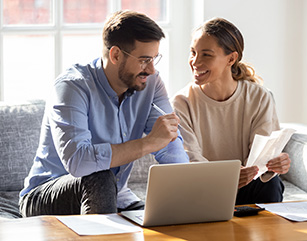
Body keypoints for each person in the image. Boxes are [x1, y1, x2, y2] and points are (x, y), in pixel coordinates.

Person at [19, 10, 189, 217]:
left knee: (164, 220)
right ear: (115, 55)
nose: (151, 69)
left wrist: (187, 192)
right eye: (144, 60)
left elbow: (170, 144)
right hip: (45, 195)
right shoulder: (72, 87)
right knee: (99, 177)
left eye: (154, 59)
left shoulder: (151, 83)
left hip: (116, 196)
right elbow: (78, 162)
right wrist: (148, 143)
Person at [172, 17, 290, 205]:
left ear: (231, 58)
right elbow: (190, 161)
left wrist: (274, 163)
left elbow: (262, 156)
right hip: (204, 188)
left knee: (271, 183)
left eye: (206, 55)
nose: (195, 61)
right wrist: (229, 177)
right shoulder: (181, 103)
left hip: (249, 185)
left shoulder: (259, 96)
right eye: (193, 52)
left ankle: (269, 233)